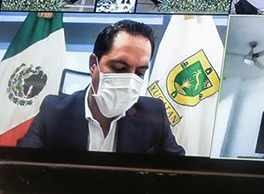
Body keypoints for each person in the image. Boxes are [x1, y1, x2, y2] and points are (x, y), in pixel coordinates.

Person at [17, 20, 185, 155]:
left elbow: (181, 171)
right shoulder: (53, 111)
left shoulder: (154, 113)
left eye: (140, 72)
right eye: (119, 68)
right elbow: (22, 165)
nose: (130, 81)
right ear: (93, 65)